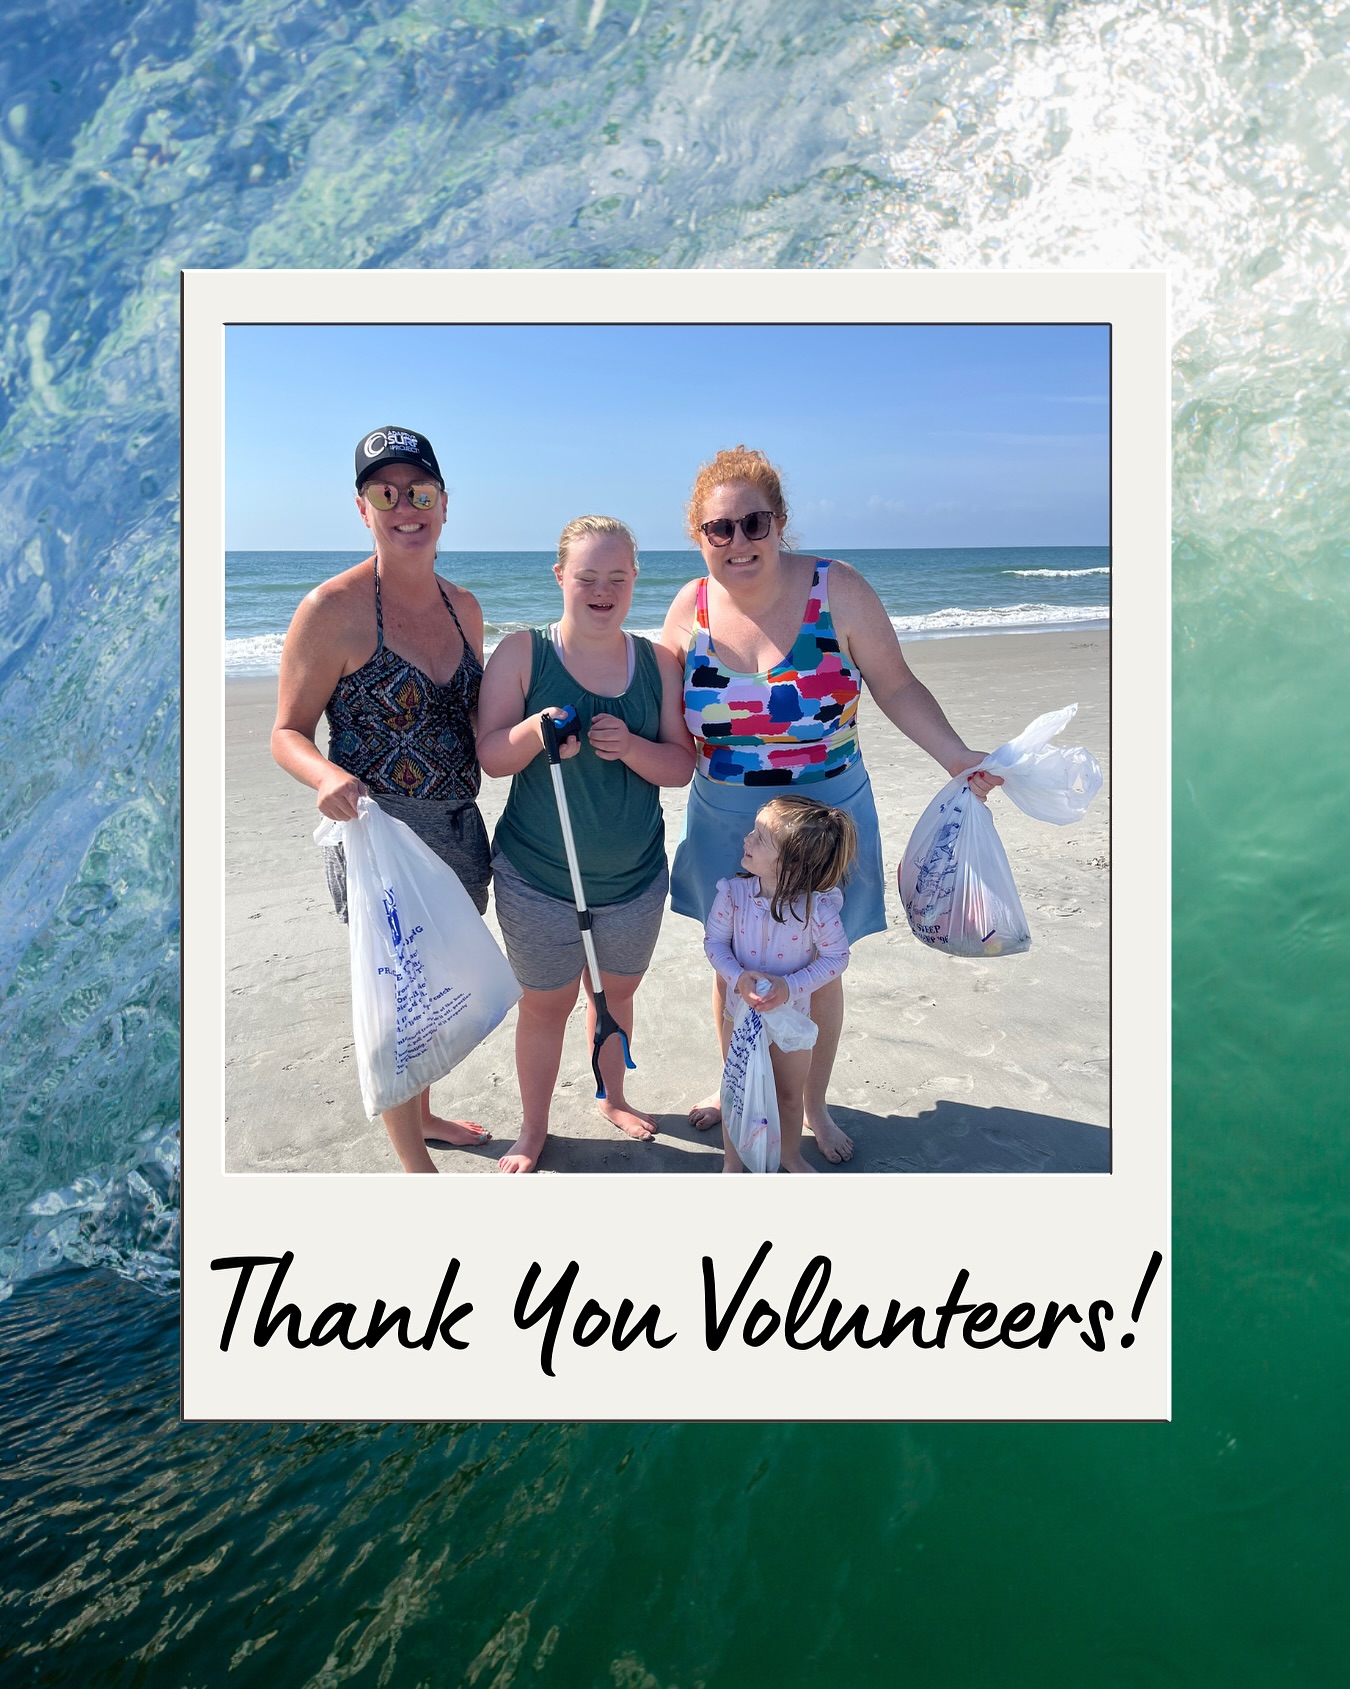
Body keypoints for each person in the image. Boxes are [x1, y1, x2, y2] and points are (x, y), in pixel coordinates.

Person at [659, 446, 1001, 1163]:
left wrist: (957, 755)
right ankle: (739, 1086)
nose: (739, 541)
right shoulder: (687, 607)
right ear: (699, 535)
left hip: (823, 819)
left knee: (819, 964)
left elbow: (897, 684)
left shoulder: (835, 587)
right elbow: (656, 718)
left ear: (780, 524)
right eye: (720, 529)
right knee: (733, 963)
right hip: (727, 817)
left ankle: (810, 1099)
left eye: (754, 524)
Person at [271, 425, 493, 1174]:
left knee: (444, 989)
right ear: (362, 507)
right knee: (404, 1002)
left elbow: (475, 721)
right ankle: (414, 1169)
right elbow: (287, 732)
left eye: (420, 492)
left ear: (443, 504)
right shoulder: (329, 609)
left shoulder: (466, 607)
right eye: (385, 493)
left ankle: (423, 1115)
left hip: (460, 830)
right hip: (377, 841)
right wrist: (324, 775)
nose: (406, 507)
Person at [477, 515, 695, 1174]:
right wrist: (534, 730)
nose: (602, 590)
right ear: (560, 578)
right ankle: (533, 1128)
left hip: (632, 878)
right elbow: (490, 756)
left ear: (634, 581)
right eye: (587, 577)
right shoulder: (522, 653)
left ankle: (613, 1097)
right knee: (546, 1006)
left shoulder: (657, 662)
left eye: (617, 578)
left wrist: (630, 748)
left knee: (615, 999)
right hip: (537, 875)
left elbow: (681, 765)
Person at [705, 796, 857, 1174]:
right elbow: (714, 944)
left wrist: (790, 988)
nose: (746, 840)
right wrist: (738, 978)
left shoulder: (818, 909)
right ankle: (732, 1163)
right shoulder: (733, 895)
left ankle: (790, 1155)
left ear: (792, 863)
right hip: (739, 1014)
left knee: (789, 1096)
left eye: (759, 838)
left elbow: (837, 958)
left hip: (793, 1019)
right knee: (736, 1089)